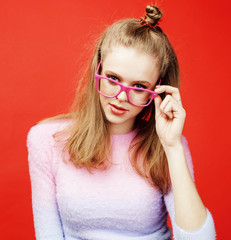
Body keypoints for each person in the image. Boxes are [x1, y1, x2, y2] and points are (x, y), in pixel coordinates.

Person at [27, 5, 216, 240]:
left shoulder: (169, 145)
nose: (121, 96)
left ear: (157, 90)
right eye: (113, 78)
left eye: (139, 86)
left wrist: (172, 147)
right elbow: (48, 234)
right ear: (98, 69)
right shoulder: (46, 139)